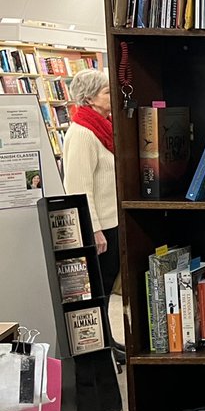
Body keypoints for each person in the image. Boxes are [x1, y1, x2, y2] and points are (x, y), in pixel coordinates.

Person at [63, 70, 118, 295]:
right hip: (100, 227)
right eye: (106, 92)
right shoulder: (82, 134)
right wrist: (93, 229)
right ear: (89, 99)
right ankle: (103, 331)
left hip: (113, 222)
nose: (112, 95)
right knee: (98, 288)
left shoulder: (106, 127)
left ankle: (107, 331)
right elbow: (78, 188)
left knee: (106, 283)